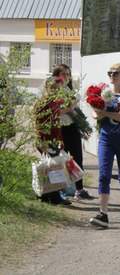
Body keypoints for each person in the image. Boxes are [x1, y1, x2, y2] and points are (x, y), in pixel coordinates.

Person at [89, 63, 120, 227]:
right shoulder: (102, 92)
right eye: (110, 72)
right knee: (103, 175)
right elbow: (94, 113)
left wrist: (103, 113)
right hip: (106, 138)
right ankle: (103, 213)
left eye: (116, 73)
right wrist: (98, 110)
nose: (112, 75)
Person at [51, 64, 94, 201]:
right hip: (58, 129)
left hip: (72, 127)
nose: (66, 77)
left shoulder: (71, 92)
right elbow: (54, 111)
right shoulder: (51, 91)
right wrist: (69, 108)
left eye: (68, 74)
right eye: (63, 74)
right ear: (56, 76)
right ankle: (60, 191)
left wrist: (73, 112)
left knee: (78, 158)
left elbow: (73, 110)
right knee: (59, 159)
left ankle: (79, 189)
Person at [33, 77, 71, 205]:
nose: (56, 90)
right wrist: (42, 142)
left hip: (54, 139)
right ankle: (54, 197)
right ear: (47, 88)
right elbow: (39, 124)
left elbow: (56, 122)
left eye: (58, 88)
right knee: (53, 168)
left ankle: (45, 195)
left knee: (51, 167)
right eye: (54, 88)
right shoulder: (43, 103)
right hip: (46, 140)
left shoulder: (54, 102)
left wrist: (60, 139)